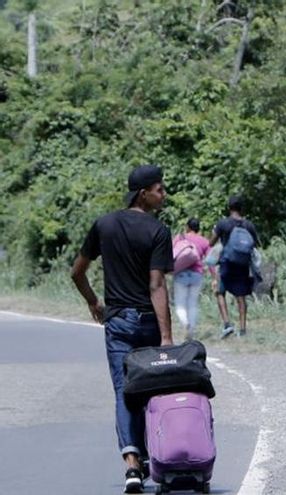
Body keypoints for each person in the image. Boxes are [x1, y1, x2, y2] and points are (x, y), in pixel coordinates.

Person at [70, 164, 174, 494]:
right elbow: (156, 285)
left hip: (117, 323)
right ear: (143, 194)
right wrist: (167, 336)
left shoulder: (104, 224)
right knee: (151, 390)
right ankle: (155, 458)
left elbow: (77, 272)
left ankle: (132, 465)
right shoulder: (158, 231)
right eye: (159, 189)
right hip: (148, 322)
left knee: (123, 390)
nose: (164, 194)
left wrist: (94, 302)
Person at [210, 195, 259, 339]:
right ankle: (243, 329)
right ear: (241, 208)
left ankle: (227, 324)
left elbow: (211, 242)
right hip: (242, 264)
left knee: (220, 292)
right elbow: (255, 243)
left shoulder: (223, 223)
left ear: (229, 207)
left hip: (226, 263)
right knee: (241, 296)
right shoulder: (248, 225)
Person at [172, 218, 211, 341]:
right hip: (197, 274)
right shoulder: (204, 241)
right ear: (198, 228)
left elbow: (170, 253)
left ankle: (185, 323)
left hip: (181, 274)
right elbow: (210, 261)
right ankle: (191, 330)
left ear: (187, 227)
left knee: (180, 304)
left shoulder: (180, 237)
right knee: (192, 304)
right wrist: (215, 277)